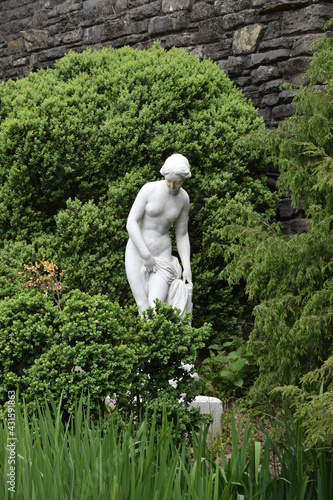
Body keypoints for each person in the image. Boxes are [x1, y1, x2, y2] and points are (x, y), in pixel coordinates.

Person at [125, 153, 193, 316]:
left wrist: (187, 266)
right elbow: (131, 222)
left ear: (184, 180)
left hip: (162, 256)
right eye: (168, 181)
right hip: (137, 252)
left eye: (177, 183)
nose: (171, 186)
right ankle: (147, 342)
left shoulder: (183, 199)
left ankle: (165, 340)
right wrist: (146, 255)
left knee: (155, 309)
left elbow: (182, 234)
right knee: (143, 307)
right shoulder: (149, 190)